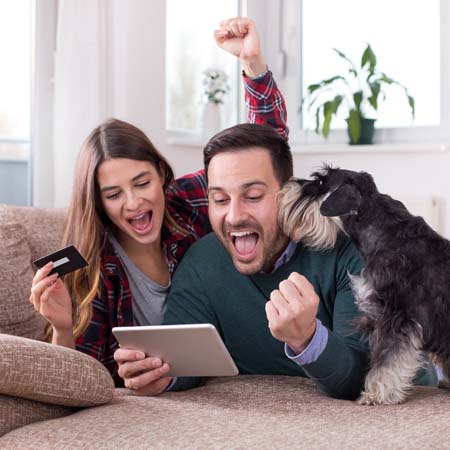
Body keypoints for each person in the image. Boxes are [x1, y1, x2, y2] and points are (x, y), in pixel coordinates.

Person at [114, 17, 437, 399]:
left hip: (410, 386)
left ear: (286, 194)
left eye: (252, 196)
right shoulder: (200, 264)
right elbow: (186, 366)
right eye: (219, 199)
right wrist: (160, 375)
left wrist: (308, 338)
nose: (234, 216)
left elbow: (363, 379)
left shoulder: (348, 249)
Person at [29, 17, 289, 387]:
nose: (134, 203)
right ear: (99, 203)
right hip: (156, 395)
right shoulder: (90, 267)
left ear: (161, 175)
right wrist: (61, 327)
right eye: (114, 194)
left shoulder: (186, 203)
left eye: (142, 183)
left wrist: (252, 63)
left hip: (239, 368)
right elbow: (78, 382)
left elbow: (263, 151)